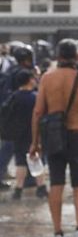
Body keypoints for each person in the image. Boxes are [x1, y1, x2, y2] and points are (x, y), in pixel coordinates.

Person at [30, 39, 78, 237]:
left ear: (58, 56)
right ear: (77, 56)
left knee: (56, 184)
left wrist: (35, 142)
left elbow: (37, 112)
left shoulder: (47, 78)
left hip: (53, 136)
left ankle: (58, 234)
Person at [2, 69, 46, 199]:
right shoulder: (36, 97)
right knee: (37, 160)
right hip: (34, 134)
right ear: (30, 80)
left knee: (20, 162)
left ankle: (18, 189)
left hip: (18, 135)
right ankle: (41, 187)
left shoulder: (13, 97)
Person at [0, 43, 39, 189]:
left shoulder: (10, 70)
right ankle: (28, 178)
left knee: (14, 148)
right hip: (20, 118)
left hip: (12, 117)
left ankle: (28, 177)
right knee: (12, 148)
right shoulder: (22, 73)